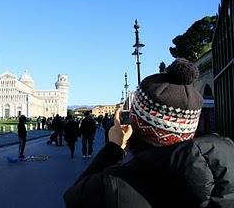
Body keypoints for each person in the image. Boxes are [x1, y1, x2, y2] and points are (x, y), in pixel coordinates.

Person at [64, 58, 234, 207]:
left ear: (136, 123)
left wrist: (113, 149)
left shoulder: (113, 186)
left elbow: (74, 198)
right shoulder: (225, 173)